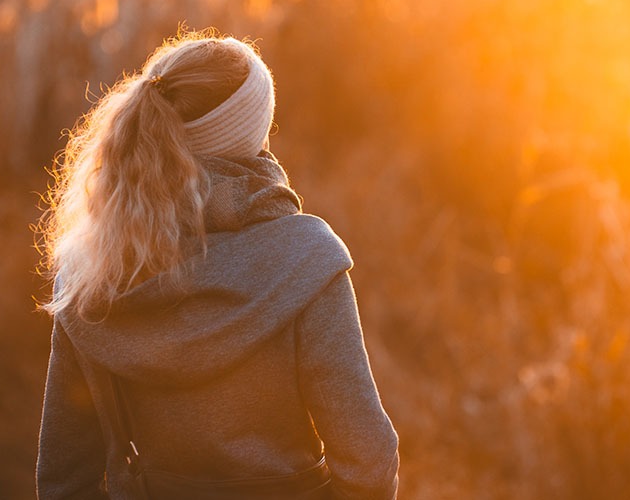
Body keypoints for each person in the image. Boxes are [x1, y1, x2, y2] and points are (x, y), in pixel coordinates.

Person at [35, 31, 399, 499]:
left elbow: (64, 479)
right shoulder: (307, 258)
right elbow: (368, 458)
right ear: (252, 133)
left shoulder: (92, 273)